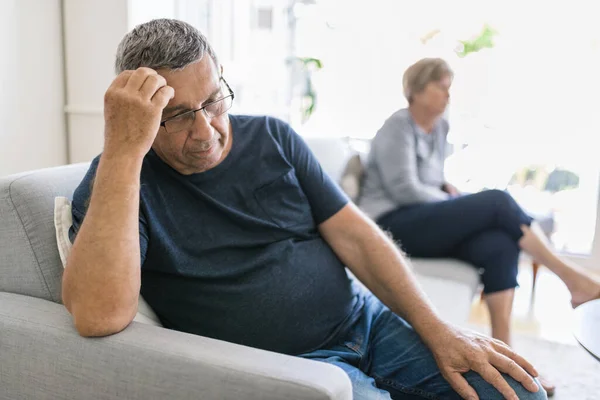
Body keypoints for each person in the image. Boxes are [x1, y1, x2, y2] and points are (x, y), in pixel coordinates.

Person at [62, 20, 547, 400]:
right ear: (142, 116)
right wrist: (124, 150)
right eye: (178, 116)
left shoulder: (274, 136)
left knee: (518, 392)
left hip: (367, 323)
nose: (207, 131)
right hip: (294, 367)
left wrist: (438, 330)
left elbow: (359, 237)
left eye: (213, 101)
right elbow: (97, 316)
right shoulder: (119, 181)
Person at [359, 57, 600, 397]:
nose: (447, 96)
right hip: (392, 223)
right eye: (441, 87)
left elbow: (432, 177)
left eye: (449, 88)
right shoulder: (396, 126)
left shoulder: (439, 127)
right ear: (416, 89)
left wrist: (448, 191)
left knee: (498, 244)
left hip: (423, 219)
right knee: (497, 202)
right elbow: (404, 189)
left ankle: (507, 357)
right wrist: (453, 205)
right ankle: (572, 279)